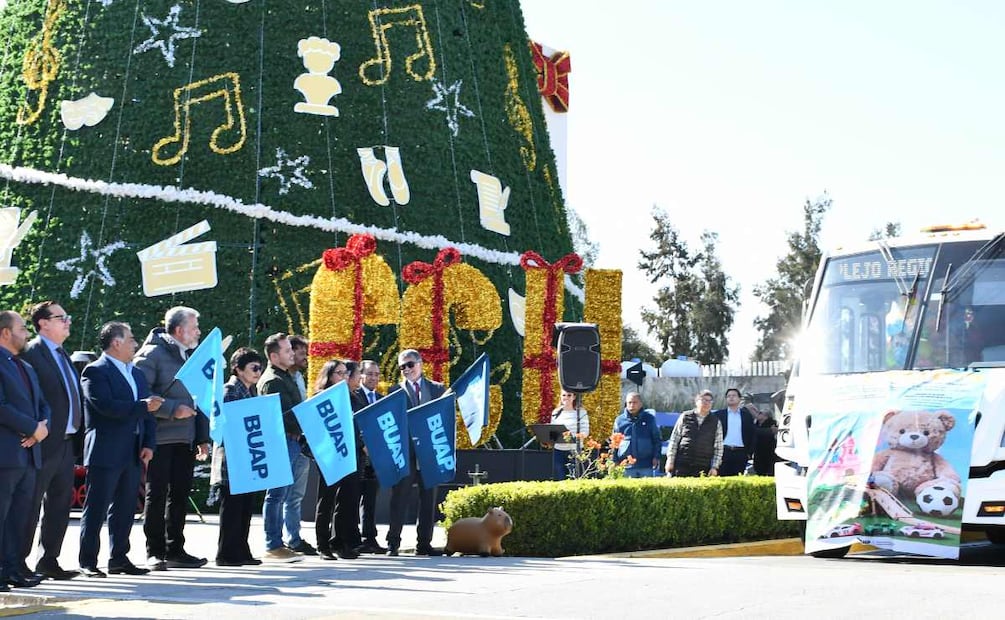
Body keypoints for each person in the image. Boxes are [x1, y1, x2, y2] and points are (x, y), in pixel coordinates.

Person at [78, 322, 158, 577]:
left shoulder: (136, 373)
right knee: (97, 506)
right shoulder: (95, 371)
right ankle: (88, 560)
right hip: (106, 448)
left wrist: (148, 443)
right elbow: (106, 407)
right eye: (131, 338)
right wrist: (143, 406)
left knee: (125, 507)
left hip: (133, 450)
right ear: (116, 342)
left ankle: (119, 558)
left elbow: (148, 414)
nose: (135, 343)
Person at [133, 306, 210, 571]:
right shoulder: (150, 355)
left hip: (186, 438)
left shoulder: (191, 356)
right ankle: (154, 551)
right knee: (157, 495)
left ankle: (175, 548)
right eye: (194, 327)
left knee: (180, 494)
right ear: (179, 330)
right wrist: (171, 409)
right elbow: (140, 395)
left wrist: (202, 436)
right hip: (160, 437)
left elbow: (199, 398)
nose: (198, 332)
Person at [19, 301, 83, 580]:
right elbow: (26, 395)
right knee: (30, 504)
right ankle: (16, 562)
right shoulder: (33, 352)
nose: (67, 321)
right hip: (42, 442)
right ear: (43, 323)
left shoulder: (61, 353)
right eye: (61, 317)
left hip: (66, 442)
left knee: (59, 505)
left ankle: (49, 560)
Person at [0, 311, 50, 591]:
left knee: (19, 516)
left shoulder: (26, 367)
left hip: (29, 455)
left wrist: (42, 426)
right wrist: (32, 427)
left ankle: (12, 569)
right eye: (22, 328)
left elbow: (44, 404)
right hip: (6, 454)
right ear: (6, 332)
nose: (27, 333)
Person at [258, 333, 312, 561]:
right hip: (281, 441)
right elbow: (280, 417)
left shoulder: (284, 376)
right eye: (287, 350)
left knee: (283, 494)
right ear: (274, 355)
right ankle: (273, 544)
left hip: (292, 440)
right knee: (276, 495)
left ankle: (279, 542)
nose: (292, 354)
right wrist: (307, 418)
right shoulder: (273, 381)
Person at [386, 349, 444, 556]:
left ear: (420, 364)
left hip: (430, 454)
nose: (406, 370)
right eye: (402, 367)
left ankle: (424, 543)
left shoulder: (437, 389)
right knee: (399, 498)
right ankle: (393, 542)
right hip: (406, 454)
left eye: (410, 365)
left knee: (429, 499)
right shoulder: (394, 391)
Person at [212, 347, 264, 567]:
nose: (258, 372)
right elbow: (228, 424)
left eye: (260, 368)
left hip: (248, 456)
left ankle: (242, 550)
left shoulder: (251, 390)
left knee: (245, 507)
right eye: (253, 367)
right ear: (238, 368)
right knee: (232, 508)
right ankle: (226, 553)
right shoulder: (230, 390)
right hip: (232, 458)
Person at [312, 359, 349, 561]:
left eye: (345, 373)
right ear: (329, 376)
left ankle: (339, 542)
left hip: (344, 455)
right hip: (327, 456)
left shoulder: (347, 398)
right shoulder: (320, 397)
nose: (343, 377)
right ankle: (322, 545)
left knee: (341, 501)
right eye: (339, 373)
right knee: (325, 501)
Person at [355, 359, 386, 554]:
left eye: (377, 374)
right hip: (359, 455)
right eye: (370, 374)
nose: (374, 378)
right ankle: (352, 536)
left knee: (370, 498)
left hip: (375, 458)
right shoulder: (355, 396)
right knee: (353, 498)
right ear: (361, 375)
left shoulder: (382, 398)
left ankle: (369, 537)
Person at [665, 390, 723, 478]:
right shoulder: (685, 416)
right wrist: (670, 460)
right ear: (697, 402)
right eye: (704, 400)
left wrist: (715, 467)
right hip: (682, 464)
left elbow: (718, 447)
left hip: (702, 467)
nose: (707, 403)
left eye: (709, 401)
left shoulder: (716, 422)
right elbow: (674, 439)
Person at [612, 392, 661, 478]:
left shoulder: (649, 419)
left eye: (635, 402)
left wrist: (656, 457)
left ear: (641, 404)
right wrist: (615, 460)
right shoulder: (620, 421)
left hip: (646, 465)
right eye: (629, 403)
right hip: (626, 465)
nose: (632, 405)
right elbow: (615, 443)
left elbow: (656, 439)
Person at [713, 388, 756, 476]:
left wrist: (749, 453)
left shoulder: (746, 415)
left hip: (740, 453)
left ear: (739, 399)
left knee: (737, 480)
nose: (731, 398)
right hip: (724, 452)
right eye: (728, 396)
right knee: (722, 480)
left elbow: (752, 434)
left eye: (734, 396)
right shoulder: (719, 415)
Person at [550, 390, 589, 480]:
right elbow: (553, 430)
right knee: (561, 478)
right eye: (564, 395)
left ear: (574, 397)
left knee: (575, 478)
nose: (566, 398)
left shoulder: (581, 412)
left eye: (569, 395)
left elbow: (585, 431)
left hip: (574, 450)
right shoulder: (556, 412)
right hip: (559, 450)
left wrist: (574, 437)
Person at [752, 409, 779, 476]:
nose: (758, 414)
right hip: (758, 451)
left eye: (760, 413)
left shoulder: (772, 423)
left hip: (769, 451)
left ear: (766, 416)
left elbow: (771, 432)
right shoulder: (756, 424)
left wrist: (769, 431)